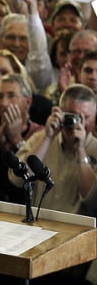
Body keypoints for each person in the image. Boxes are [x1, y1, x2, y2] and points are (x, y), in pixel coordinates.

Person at [15, 84, 97, 215]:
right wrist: (48, 138)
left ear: (95, 116)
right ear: (59, 112)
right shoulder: (40, 138)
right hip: (39, 225)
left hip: (77, 231)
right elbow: (17, 179)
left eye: (84, 117)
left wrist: (80, 150)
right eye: (71, 116)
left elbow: (92, 201)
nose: (76, 123)